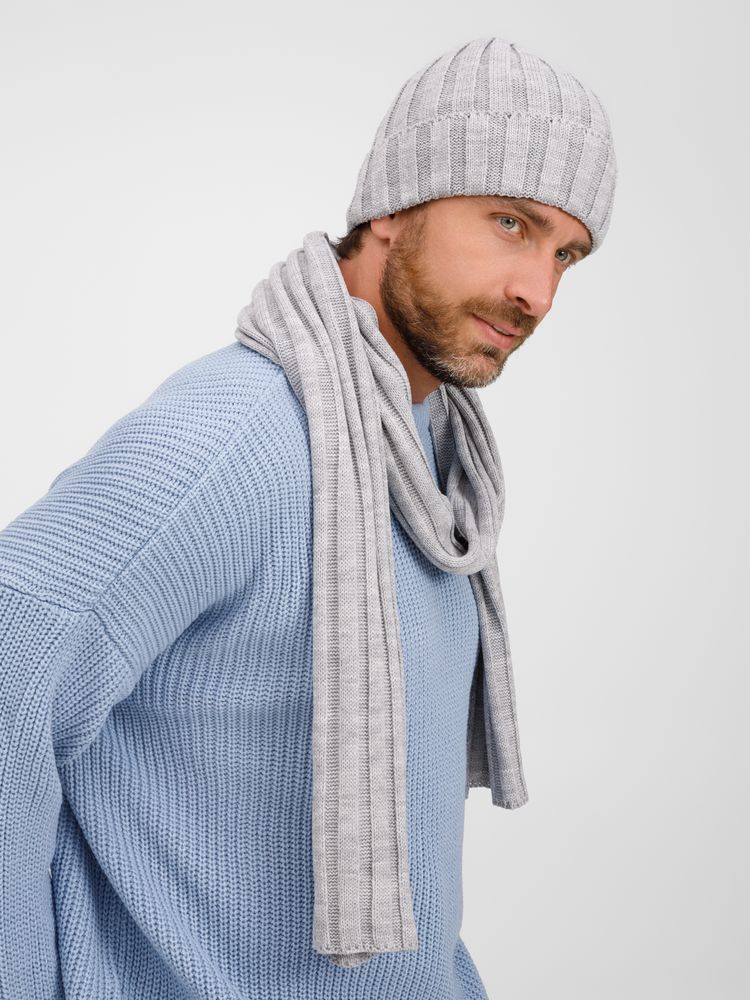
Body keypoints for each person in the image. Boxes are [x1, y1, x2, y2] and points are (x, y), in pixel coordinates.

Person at [0, 35, 616, 1000]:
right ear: (395, 204)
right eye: (511, 222)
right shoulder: (235, 437)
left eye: (566, 254)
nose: (536, 292)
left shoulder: (435, 460)